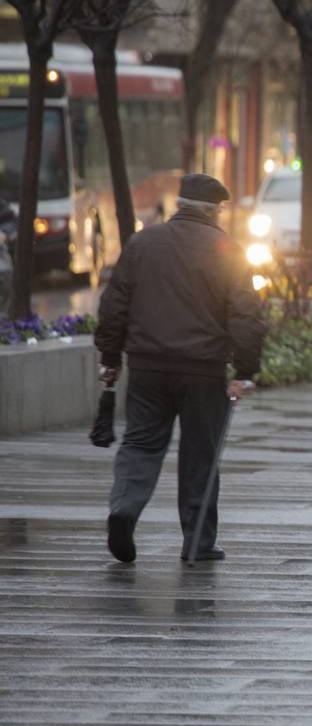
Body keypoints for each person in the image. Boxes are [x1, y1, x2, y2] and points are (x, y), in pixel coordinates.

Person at [95, 173, 266, 564]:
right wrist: (245, 370)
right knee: (200, 454)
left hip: (147, 367)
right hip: (204, 370)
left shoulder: (143, 243)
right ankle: (197, 543)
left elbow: (114, 304)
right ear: (216, 210)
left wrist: (110, 358)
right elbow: (246, 316)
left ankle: (124, 509)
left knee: (140, 443)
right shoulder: (227, 249)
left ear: (180, 205)